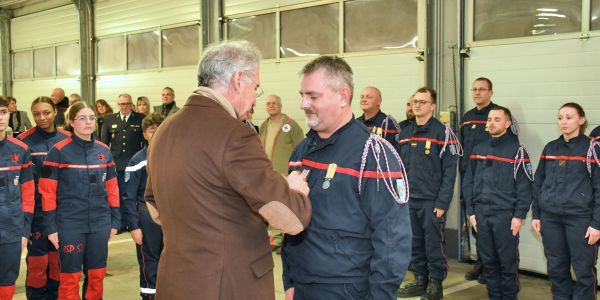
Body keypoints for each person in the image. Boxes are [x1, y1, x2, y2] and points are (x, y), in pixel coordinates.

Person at [144, 40, 312, 300]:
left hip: (176, 282)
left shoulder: (164, 130)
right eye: (255, 87)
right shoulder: (234, 133)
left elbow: (155, 207)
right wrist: (296, 192)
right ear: (238, 80)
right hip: (229, 285)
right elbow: (289, 218)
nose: (255, 95)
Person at [283, 56, 411, 300]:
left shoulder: (374, 155)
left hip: (348, 290)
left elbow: (392, 241)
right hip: (301, 287)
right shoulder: (301, 151)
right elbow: (293, 225)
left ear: (342, 96)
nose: (303, 104)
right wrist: (289, 281)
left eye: (313, 96)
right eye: (302, 95)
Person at [39, 101, 120, 300]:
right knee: (70, 277)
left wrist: (115, 220)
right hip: (70, 224)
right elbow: (47, 192)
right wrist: (50, 227)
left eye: (91, 118)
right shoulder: (58, 151)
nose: (88, 122)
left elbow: (113, 188)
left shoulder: (104, 152)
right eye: (82, 118)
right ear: (71, 122)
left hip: (100, 223)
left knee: (97, 275)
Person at [462, 106, 533, 300]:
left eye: (497, 119)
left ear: (507, 123)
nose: (491, 123)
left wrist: (519, 215)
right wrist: (472, 212)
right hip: (481, 216)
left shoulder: (517, 151)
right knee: (489, 263)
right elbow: (468, 182)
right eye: (489, 120)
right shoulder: (478, 150)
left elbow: (525, 187)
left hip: (505, 217)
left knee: (507, 264)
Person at [531, 102, 600, 300]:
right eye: (560, 117)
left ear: (581, 120)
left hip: (580, 219)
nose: (563, 122)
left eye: (569, 117)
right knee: (556, 268)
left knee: (583, 271)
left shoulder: (592, 149)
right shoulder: (550, 147)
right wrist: (537, 214)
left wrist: (596, 224)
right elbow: (538, 183)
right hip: (550, 218)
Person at [397, 87, 460, 300]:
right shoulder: (404, 132)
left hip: (432, 201)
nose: (417, 105)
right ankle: (420, 279)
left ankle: (435, 283)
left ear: (432, 106)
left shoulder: (442, 133)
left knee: (433, 244)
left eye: (422, 102)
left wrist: (442, 202)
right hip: (408, 201)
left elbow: (450, 172)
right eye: (415, 101)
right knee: (414, 242)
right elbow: (398, 169)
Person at [18, 97, 71, 299]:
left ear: (55, 111)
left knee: (59, 263)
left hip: (63, 214)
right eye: (37, 114)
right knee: (37, 264)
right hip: (37, 214)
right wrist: (25, 221)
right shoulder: (23, 142)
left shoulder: (68, 139)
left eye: (46, 112)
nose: (42, 118)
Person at [459, 77, 499, 282]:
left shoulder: (498, 115)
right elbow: (462, 150)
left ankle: (492, 267)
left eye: (482, 89)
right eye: (474, 89)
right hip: (471, 180)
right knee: (477, 225)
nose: (477, 93)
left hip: (492, 181)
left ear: (490, 92)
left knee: (492, 227)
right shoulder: (467, 117)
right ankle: (481, 263)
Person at [122, 113, 164, 300]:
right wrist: (134, 226)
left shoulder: (174, 155)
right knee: (150, 261)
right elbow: (128, 197)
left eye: (159, 129)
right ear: (145, 134)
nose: (156, 134)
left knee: (170, 261)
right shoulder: (137, 161)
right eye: (152, 131)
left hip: (171, 218)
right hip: (146, 217)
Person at [0, 96, 34, 300]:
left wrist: (24, 230)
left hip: (11, 231)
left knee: (7, 280)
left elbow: (28, 194)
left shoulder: (20, 150)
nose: (0, 117)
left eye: (3, 112)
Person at [101, 94, 145, 233]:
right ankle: (120, 223)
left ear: (131, 104)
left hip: (135, 165)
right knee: (118, 195)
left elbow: (145, 142)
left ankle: (133, 223)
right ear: (118, 104)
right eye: (121, 104)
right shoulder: (109, 120)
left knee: (133, 195)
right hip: (117, 164)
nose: (124, 106)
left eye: (127, 104)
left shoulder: (140, 119)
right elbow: (104, 144)